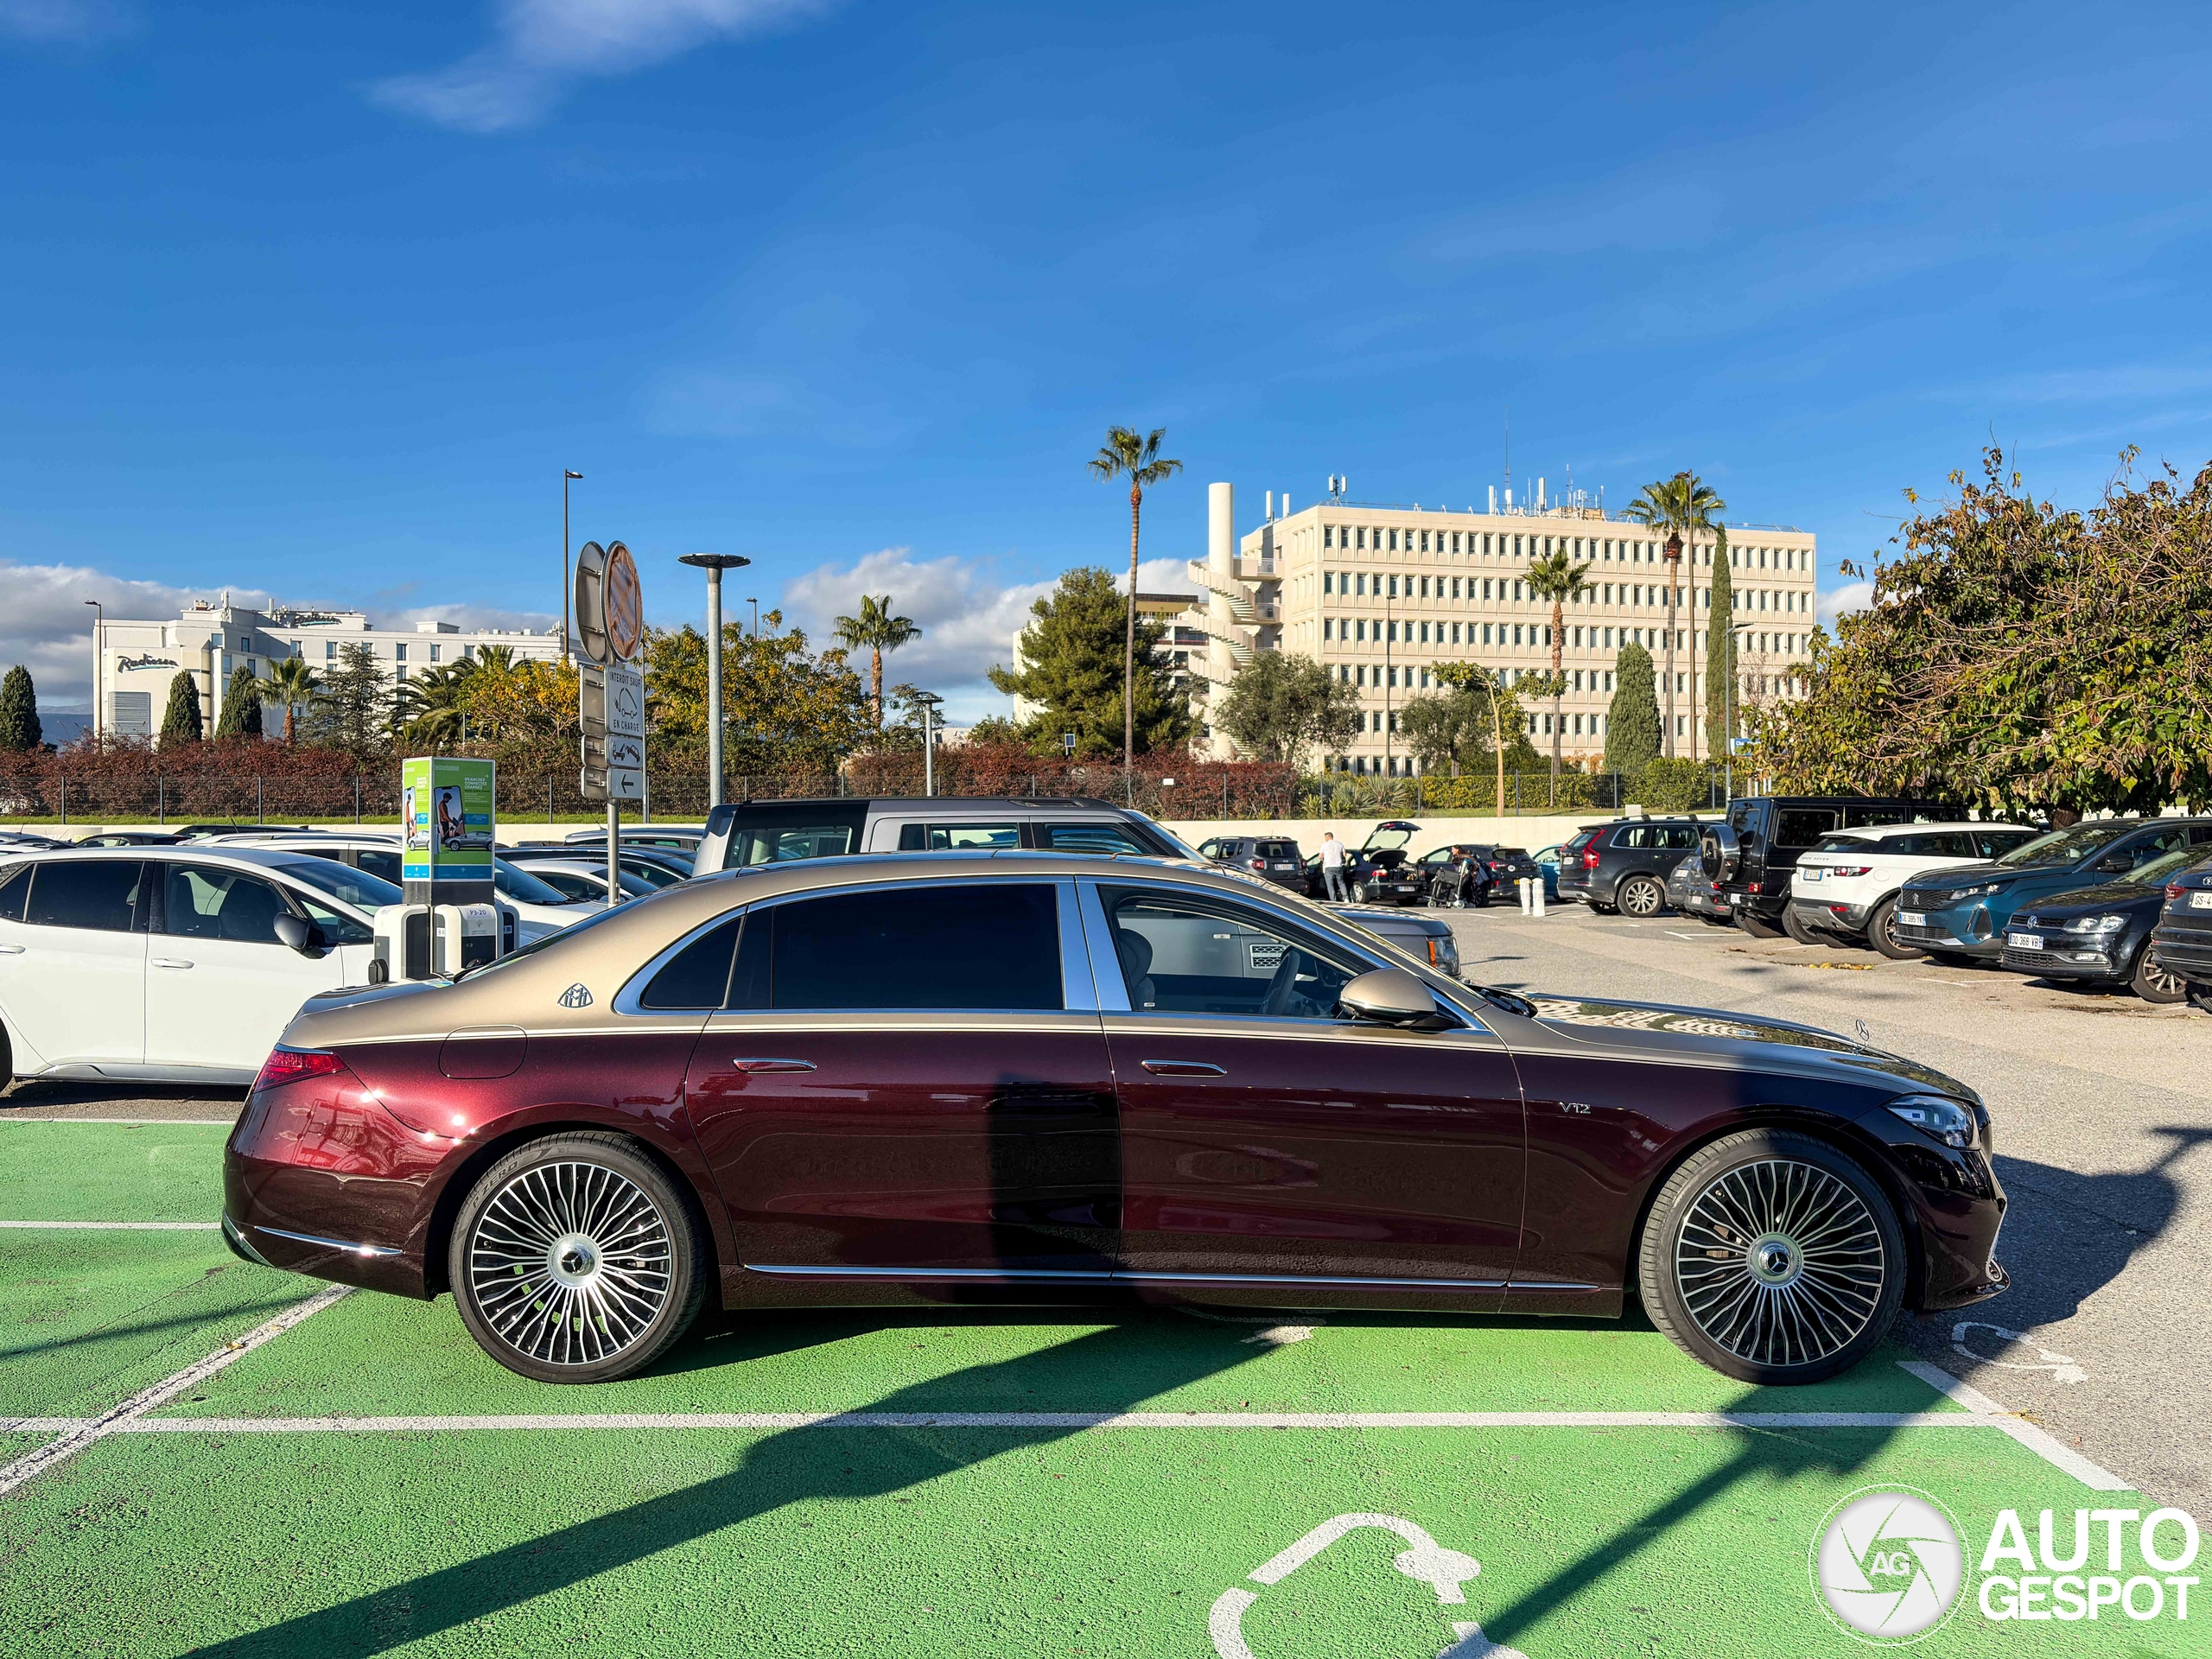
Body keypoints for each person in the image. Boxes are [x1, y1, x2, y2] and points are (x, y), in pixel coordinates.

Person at [1320, 830, 1348, 903]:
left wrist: (1323, 858)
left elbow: (1320, 856)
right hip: (1338, 866)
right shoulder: (1340, 844)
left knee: (1330, 885)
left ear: (1327, 837)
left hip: (1328, 867)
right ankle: (1346, 898)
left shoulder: (1324, 845)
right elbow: (1345, 854)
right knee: (1341, 883)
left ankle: (1333, 900)